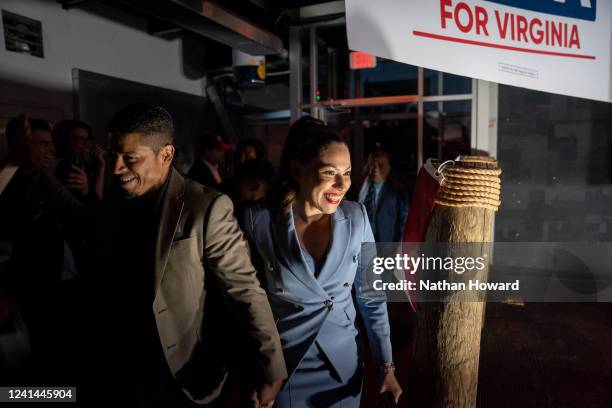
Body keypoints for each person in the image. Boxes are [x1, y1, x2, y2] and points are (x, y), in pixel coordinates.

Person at [86, 104, 285, 407]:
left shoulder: (206, 207)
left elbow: (244, 290)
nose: (116, 168)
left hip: (184, 375)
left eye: (130, 158)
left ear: (166, 155)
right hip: (123, 368)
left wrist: (272, 367)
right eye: (113, 156)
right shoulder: (114, 200)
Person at [243, 117, 402, 407]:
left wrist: (386, 365)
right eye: (330, 172)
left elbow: (372, 299)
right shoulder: (259, 223)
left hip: (343, 370)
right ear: (296, 169)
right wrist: (265, 371)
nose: (342, 185)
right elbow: (247, 303)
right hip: (283, 372)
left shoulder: (357, 217)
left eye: (348, 173)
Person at [358, 149, 409, 242]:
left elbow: (403, 221)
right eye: (372, 165)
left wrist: (398, 246)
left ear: (389, 168)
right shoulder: (358, 185)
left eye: (380, 166)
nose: (375, 170)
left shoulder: (398, 190)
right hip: (360, 241)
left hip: (386, 245)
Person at [52, 120, 106, 200]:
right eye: (79, 139)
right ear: (66, 142)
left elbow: (98, 200)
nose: (85, 143)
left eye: (87, 139)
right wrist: (85, 192)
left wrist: (101, 167)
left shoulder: (91, 167)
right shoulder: (60, 167)